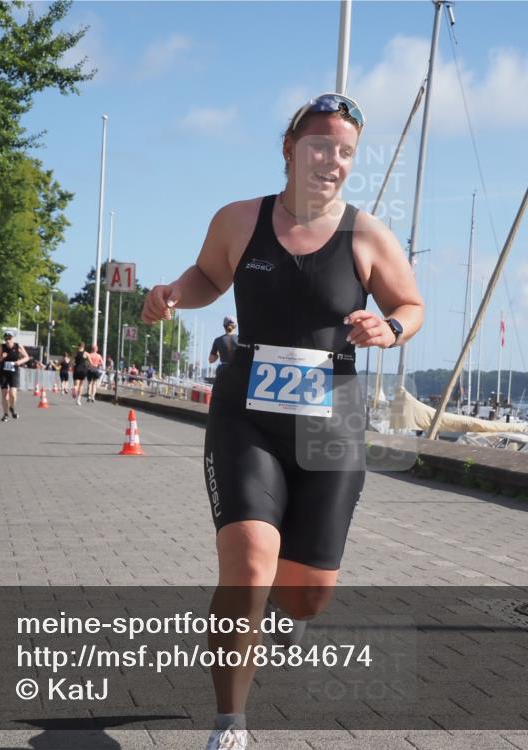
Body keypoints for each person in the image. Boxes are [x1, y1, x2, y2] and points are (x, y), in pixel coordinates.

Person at [141, 92, 423, 750]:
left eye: (346, 151)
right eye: (321, 144)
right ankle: (229, 723)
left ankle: (285, 615)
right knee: (247, 566)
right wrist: (175, 295)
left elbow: (410, 303)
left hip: (333, 419)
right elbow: (210, 275)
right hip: (248, 412)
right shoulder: (241, 219)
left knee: (305, 598)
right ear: (290, 149)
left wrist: (391, 326)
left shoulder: (368, 235)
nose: (333, 159)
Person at [0, 331, 30, 421]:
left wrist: (19, 362)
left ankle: (12, 407)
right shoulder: (2, 347)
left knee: (12, 394)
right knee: (5, 393)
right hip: (3, 373)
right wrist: (2, 357)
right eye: (6, 339)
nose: (8, 340)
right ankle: (5, 414)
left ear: (12, 338)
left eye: (9, 338)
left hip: (14, 372)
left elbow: (27, 357)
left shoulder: (18, 346)